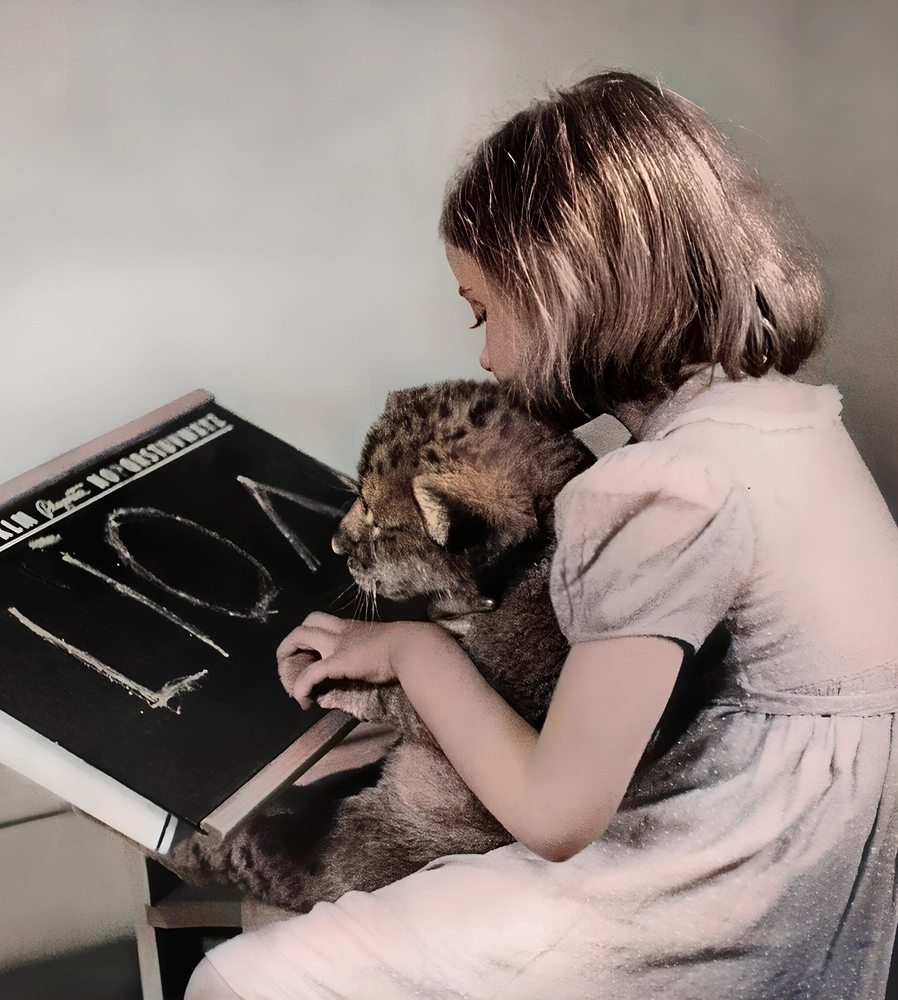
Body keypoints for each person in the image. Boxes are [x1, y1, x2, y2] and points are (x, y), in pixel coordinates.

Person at [186, 71, 898, 999]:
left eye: (484, 312)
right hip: (825, 879)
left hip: (712, 900)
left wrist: (410, 650)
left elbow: (557, 814)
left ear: (565, 290)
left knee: (250, 982)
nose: (482, 356)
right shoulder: (790, 421)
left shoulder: (663, 490)